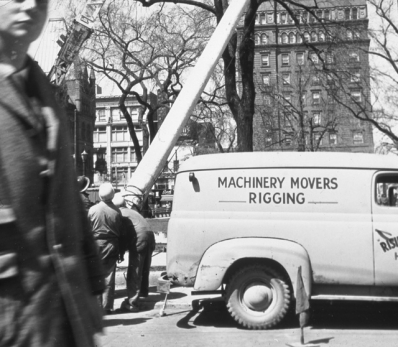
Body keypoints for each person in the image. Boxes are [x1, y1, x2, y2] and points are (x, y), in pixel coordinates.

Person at [0, 1, 104, 346]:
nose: (31, 5)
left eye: (42, 1)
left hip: (61, 315)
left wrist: (91, 287)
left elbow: (68, 201)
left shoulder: (41, 90)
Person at [113, 193, 156, 312]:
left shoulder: (119, 213)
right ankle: (141, 294)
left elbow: (121, 235)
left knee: (134, 270)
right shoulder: (131, 211)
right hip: (149, 236)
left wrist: (119, 252)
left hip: (140, 239)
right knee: (144, 268)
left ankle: (132, 303)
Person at [88, 182, 123, 314]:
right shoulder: (117, 211)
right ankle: (107, 306)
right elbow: (120, 230)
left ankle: (96, 307)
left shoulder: (93, 210)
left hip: (96, 244)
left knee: (96, 275)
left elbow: (87, 229)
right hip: (112, 244)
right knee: (109, 276)